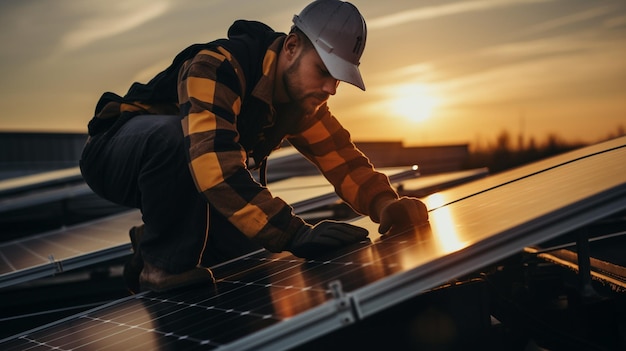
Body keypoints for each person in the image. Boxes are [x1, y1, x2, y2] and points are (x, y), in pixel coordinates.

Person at [80, 0, 428, 294]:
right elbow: (213, 168)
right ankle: (160, 267)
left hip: (186, 175)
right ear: (291, 47)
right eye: (323, 71)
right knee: (176, 138)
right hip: (117, 151)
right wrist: (295, 232)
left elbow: (341, 159)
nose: (330, 88)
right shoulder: (216, 67)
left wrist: (386, 204)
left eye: (337, 78)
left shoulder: (301, 101)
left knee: (243, 257)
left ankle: (152, 239)